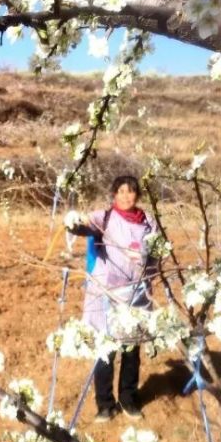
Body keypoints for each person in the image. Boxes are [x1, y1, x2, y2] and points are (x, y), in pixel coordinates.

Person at [65, 175, 156, 422]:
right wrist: (72, 222)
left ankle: (128, 398)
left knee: (131, 349)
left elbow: (157, 253)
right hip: (106, 295)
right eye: (121, 191)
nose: (126, 196)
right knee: (106, 349)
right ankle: (105, 404)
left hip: (136, 295)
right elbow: (83, 227)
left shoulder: (149, 221)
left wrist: (147, 263)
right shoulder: (103, 218)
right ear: (114, 194)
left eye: (131, 192)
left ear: (137, 195)